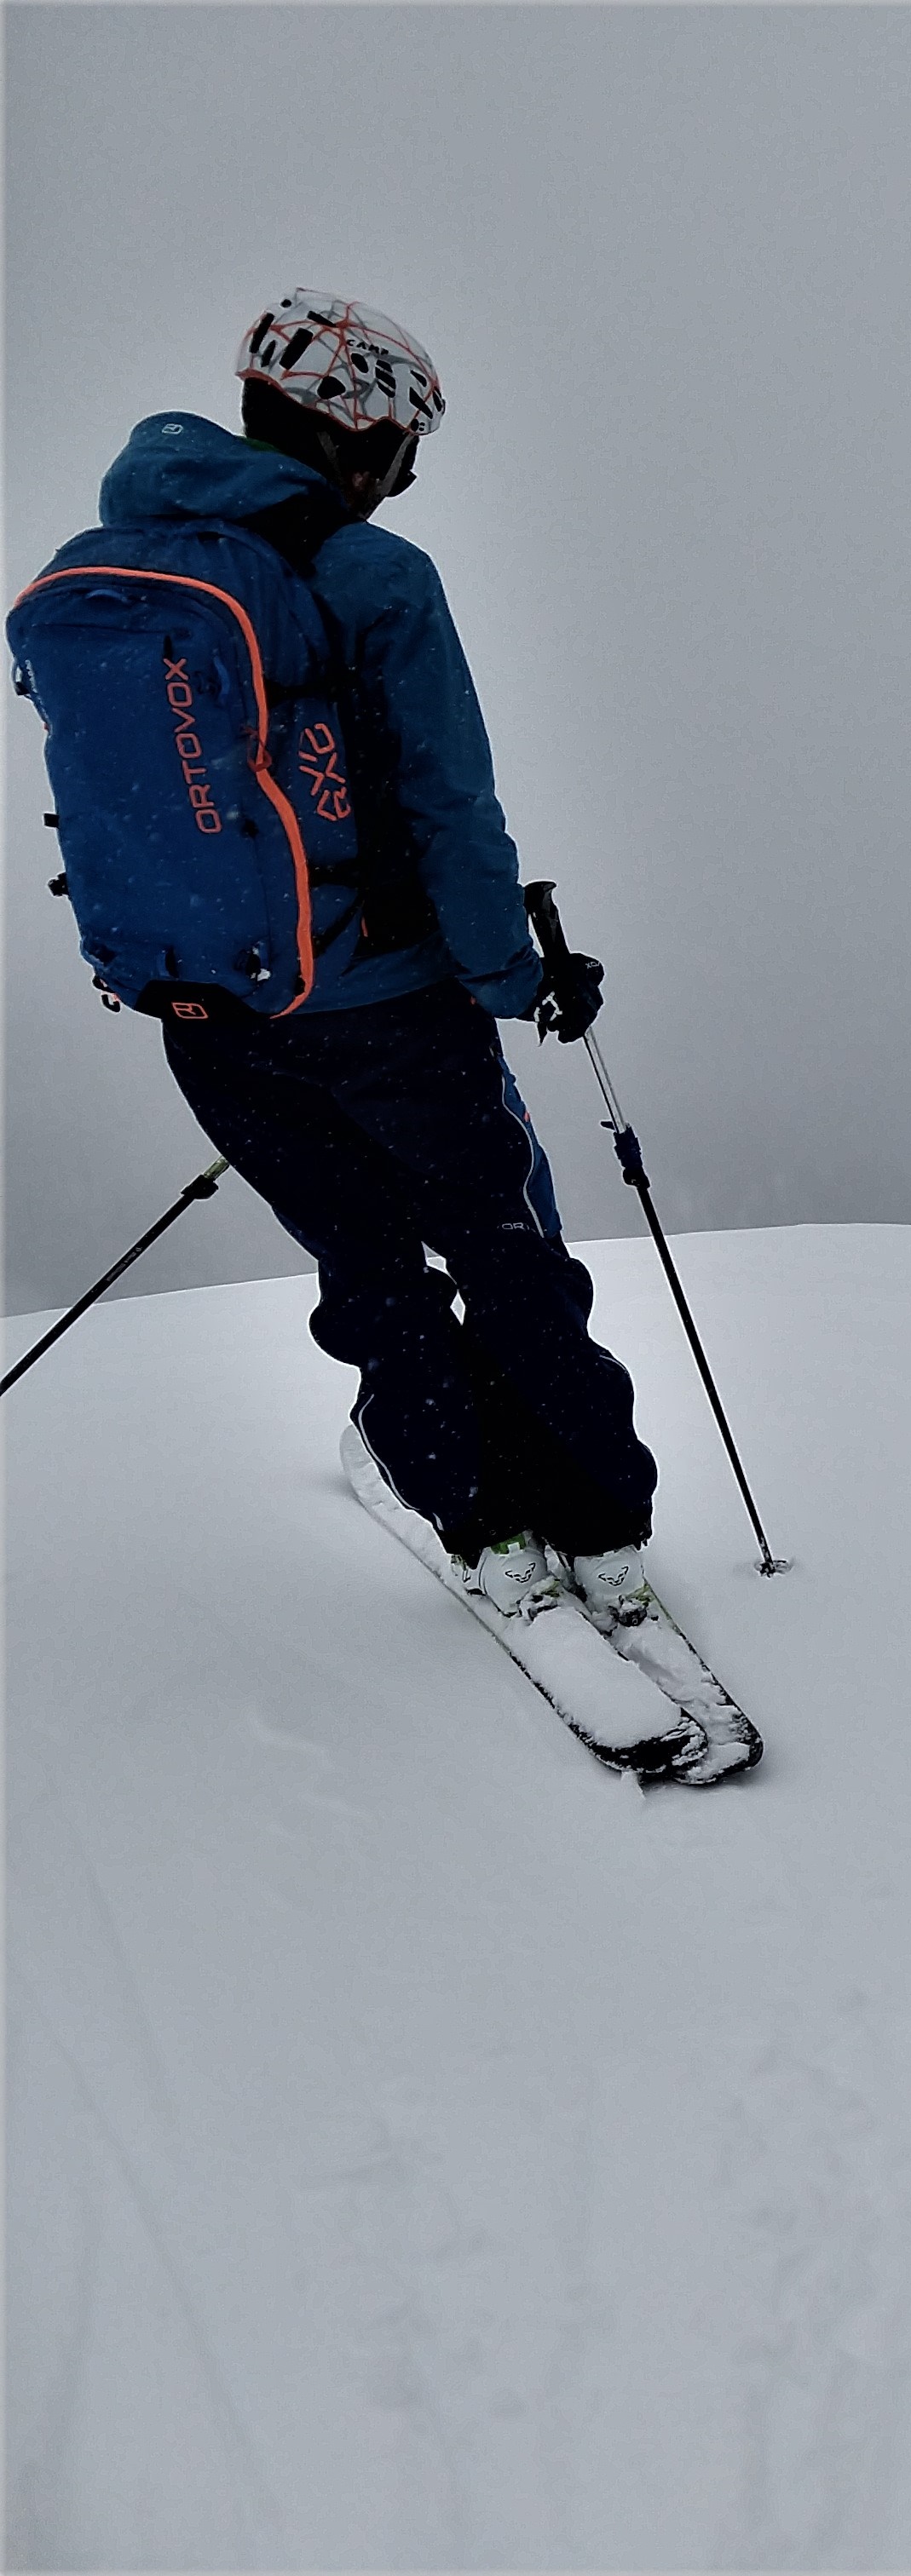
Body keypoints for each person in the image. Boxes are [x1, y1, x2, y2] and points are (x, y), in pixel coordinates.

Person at [69, 292, 683, 1656]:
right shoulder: (373, 575)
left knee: (371, 1274)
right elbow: (451, 810)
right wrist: (516, 974)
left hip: (210, 1014)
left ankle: (484, 1529)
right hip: (393, 1009)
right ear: (362, 436)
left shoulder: (106, 570)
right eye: (403, 453)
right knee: (508, 1257)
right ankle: (599, 1535)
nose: (401, 480)